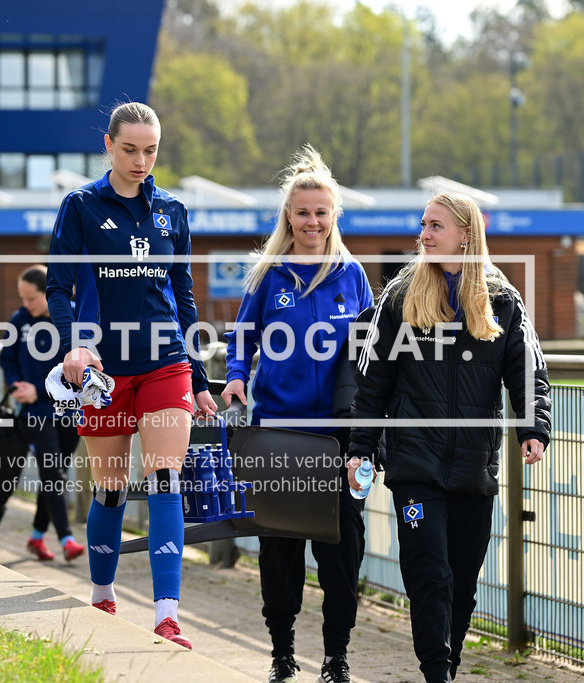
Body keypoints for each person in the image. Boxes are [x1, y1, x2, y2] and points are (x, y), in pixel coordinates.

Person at [348, 192, 551, 683]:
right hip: (414, 463)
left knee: (461, 584)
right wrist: (361, 448)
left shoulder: (502, 300)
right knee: (429, 574)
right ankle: (437, 673)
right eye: (423, 224)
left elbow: (527, 371)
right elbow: (372, 379)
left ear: (465, 234)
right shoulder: (399, 297)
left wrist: (533, 427)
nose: (424, 234)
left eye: (435, 226)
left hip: (473, 467)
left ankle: (449, 667)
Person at [45, 101, 216, 650]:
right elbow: (58, 287)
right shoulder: (80, 207)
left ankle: (167, 615)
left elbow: (184, 297)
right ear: (108, 145)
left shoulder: (173, 211)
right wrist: (74, 344)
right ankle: (102, 596)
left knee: (166, 480)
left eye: (151, 150)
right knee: (112, 490)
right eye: (130, 149)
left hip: (166, 364)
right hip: (103, 372)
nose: (141, 160)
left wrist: (201, 375)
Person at [221, 145, 373, 683]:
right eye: (303, 212)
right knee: (279, 553)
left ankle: (336, 659)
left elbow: (369, 353)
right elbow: (241, 338)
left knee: (341, 556)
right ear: (289, 216)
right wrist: (237, 376)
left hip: (337, 442)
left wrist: (369, 427)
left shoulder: (352, 276)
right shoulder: (268, 275)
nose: (312, 221)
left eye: (321, 212)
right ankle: (282, 655)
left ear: (334, 216)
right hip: (278, 436)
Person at [0, 264, 86, 562]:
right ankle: (66, 538)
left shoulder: (74, 318)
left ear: (50, 296)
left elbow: (78, 365)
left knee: (55, 475)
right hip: (34, 413)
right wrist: (16, 386)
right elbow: (7, 359)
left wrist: (39, 387)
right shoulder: (19, 320)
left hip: (69, 409)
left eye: (31, 299)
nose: (26, 305)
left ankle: (36, 538)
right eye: (22, 298)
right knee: (53, 471)